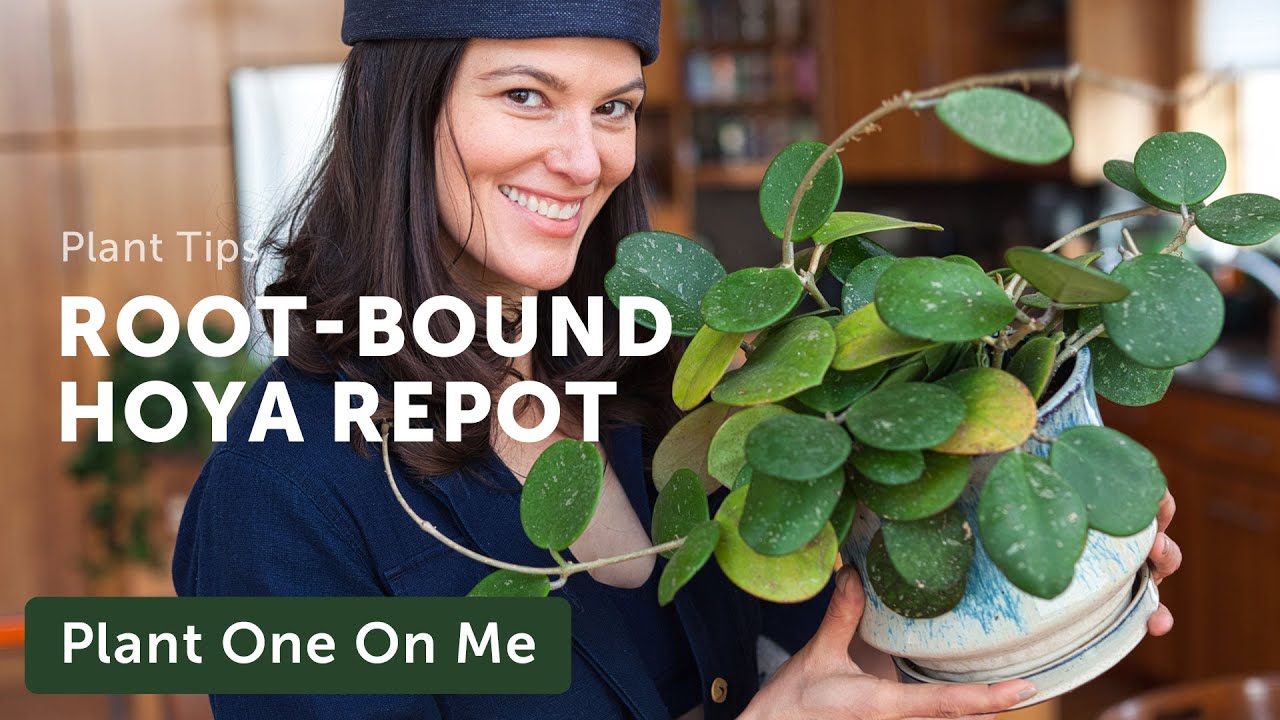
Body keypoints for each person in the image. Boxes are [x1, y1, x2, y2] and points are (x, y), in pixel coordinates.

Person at [172, 2, 1183, 718]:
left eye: (614, 106)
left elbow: (788, 669)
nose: (587, 159)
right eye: (526, 95)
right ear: (403, 110)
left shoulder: (660, 392)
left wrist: (1007, 577)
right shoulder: (282, 490)